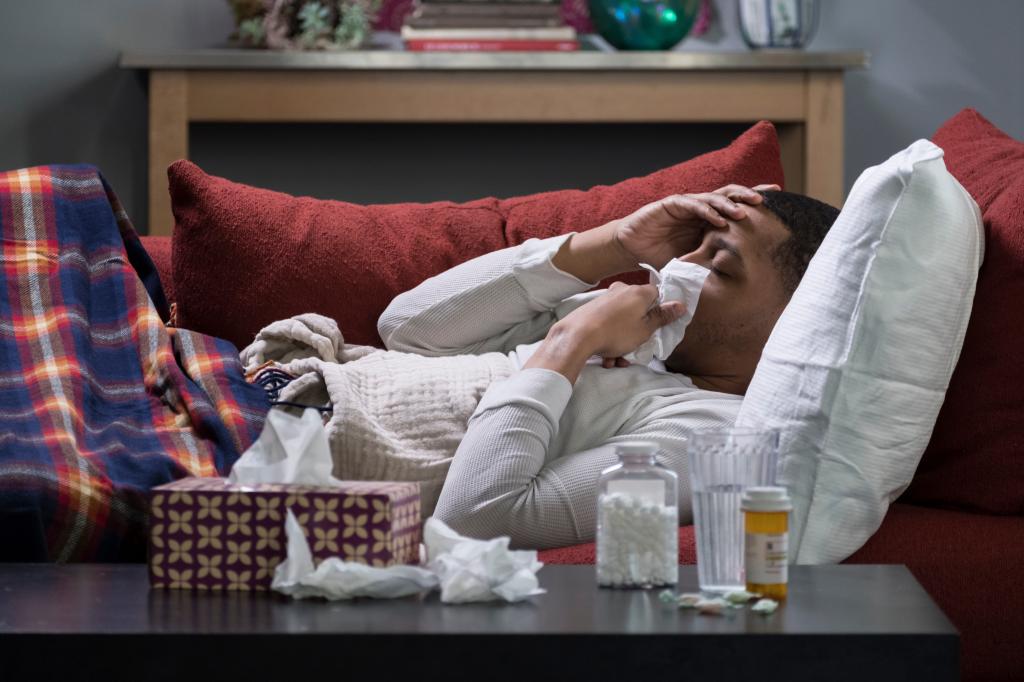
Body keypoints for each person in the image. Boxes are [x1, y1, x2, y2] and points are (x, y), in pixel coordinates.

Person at [377, 184, 840, 549]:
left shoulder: (717, 433)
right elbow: (405, 329)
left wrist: (571, 342)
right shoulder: (627, 323)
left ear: (796, 322)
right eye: (692, 245)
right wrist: (616, 243)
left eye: (718, 266)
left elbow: (474, 522)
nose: (679, 265)